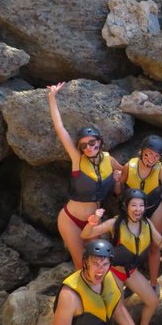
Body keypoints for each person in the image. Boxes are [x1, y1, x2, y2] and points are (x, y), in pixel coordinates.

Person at [80, 190, 162, 325]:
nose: (138, 209)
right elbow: (85, 234)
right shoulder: (116, 223)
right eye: (133, 205)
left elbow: (161, 242)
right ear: (126, 206)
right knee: (119, 309)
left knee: (153, 301)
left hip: (131, 271)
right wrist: (93, 220)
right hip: (114, 272)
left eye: (141, 205)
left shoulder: (147, 224)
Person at [48, 82, 123, 270]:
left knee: (98, 261)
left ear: (99, 142)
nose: (88, 147)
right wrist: (52, 97)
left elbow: (125, 174)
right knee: (81, 263)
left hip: (94, 220)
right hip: (70, 219)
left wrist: (118, 180)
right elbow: (60, 129)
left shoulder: (109, 160)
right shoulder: (77, 159)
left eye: (92, 143)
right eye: (83, 145)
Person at [52, 240, 148, 325]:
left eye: (105, 264)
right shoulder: (69, 295)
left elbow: (118, 308)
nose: (100, 270)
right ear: (85, 263)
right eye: (95, 264)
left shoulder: (108, 277)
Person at [116, 135, 162, 295]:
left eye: (156, 156)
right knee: (130, 246)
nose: (152, 159)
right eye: (149, 154)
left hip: (154, 208)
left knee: (154, 247)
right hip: (134, 211)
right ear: (142, 152)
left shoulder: (160, 169)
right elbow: (118, 191)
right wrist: (116, 180)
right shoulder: (129, 166)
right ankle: (131, 281)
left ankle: (153, 283)